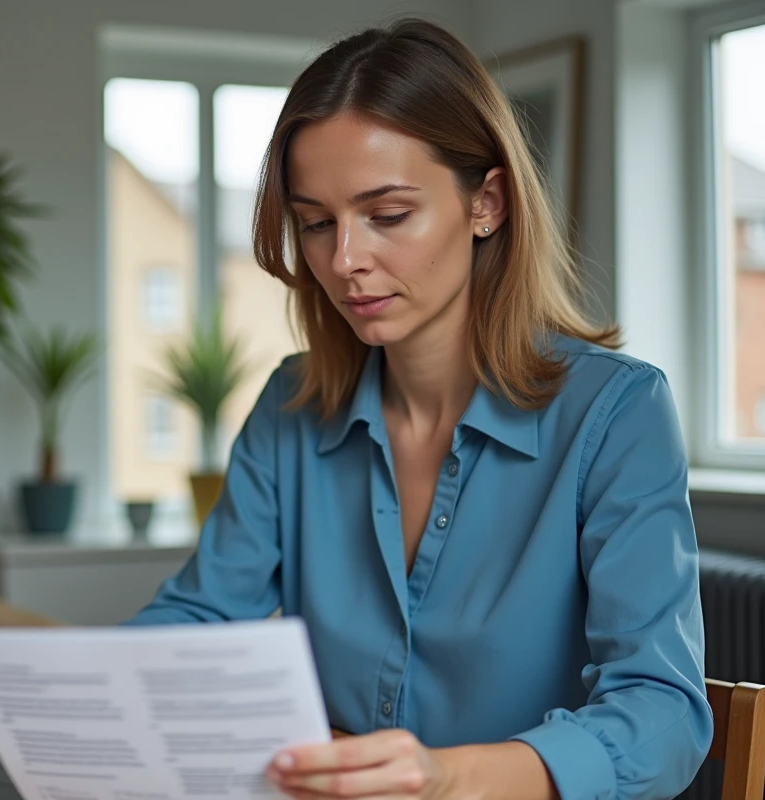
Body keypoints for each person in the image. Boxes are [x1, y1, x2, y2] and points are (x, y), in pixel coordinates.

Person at [122, 17, 712, 800]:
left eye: (389, 215)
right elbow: (200, 618)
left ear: (487, 203)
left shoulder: (616, 414)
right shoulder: (291, 407)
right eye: (317, 223)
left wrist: (449, 778)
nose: (345, 260)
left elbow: (663, 711)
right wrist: (82, 687)